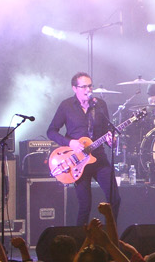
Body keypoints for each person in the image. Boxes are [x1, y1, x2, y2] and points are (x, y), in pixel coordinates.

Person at [46, 71, 120, 226]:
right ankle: (81, 242)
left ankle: (109, 237)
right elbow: (51, 131)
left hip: (98, 158)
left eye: (90, 86)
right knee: (85, 206)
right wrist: (69, 142)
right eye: (84, 86)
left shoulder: (100, 105)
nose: (88, 90)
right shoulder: (66, 106)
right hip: (77, 162)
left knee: (115, 199)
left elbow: (106, 131)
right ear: (75, 88)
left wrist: (111, 141)